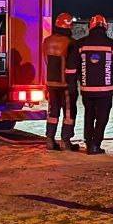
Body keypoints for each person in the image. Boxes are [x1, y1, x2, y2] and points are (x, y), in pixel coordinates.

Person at [67, 14, 113, 155]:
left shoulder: (80, 44)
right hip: (105, 92)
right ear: (105, 26)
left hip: (87, 91)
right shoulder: (112, 45)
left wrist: (71, 84)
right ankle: (96, 144)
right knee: (102, 118)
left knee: (89, 116)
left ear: (91, 26)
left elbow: (71, 67)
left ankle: (89, 144)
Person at [42, 12, 79, 151]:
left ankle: (50, 140)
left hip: (51, 83)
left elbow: (46, 61)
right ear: (69, 25)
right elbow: (72, 67)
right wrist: (73, 84)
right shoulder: (71, 43)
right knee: (69, 113)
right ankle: (65, 141)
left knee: (52, 112)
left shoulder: (47, 41)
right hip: (66, 84)